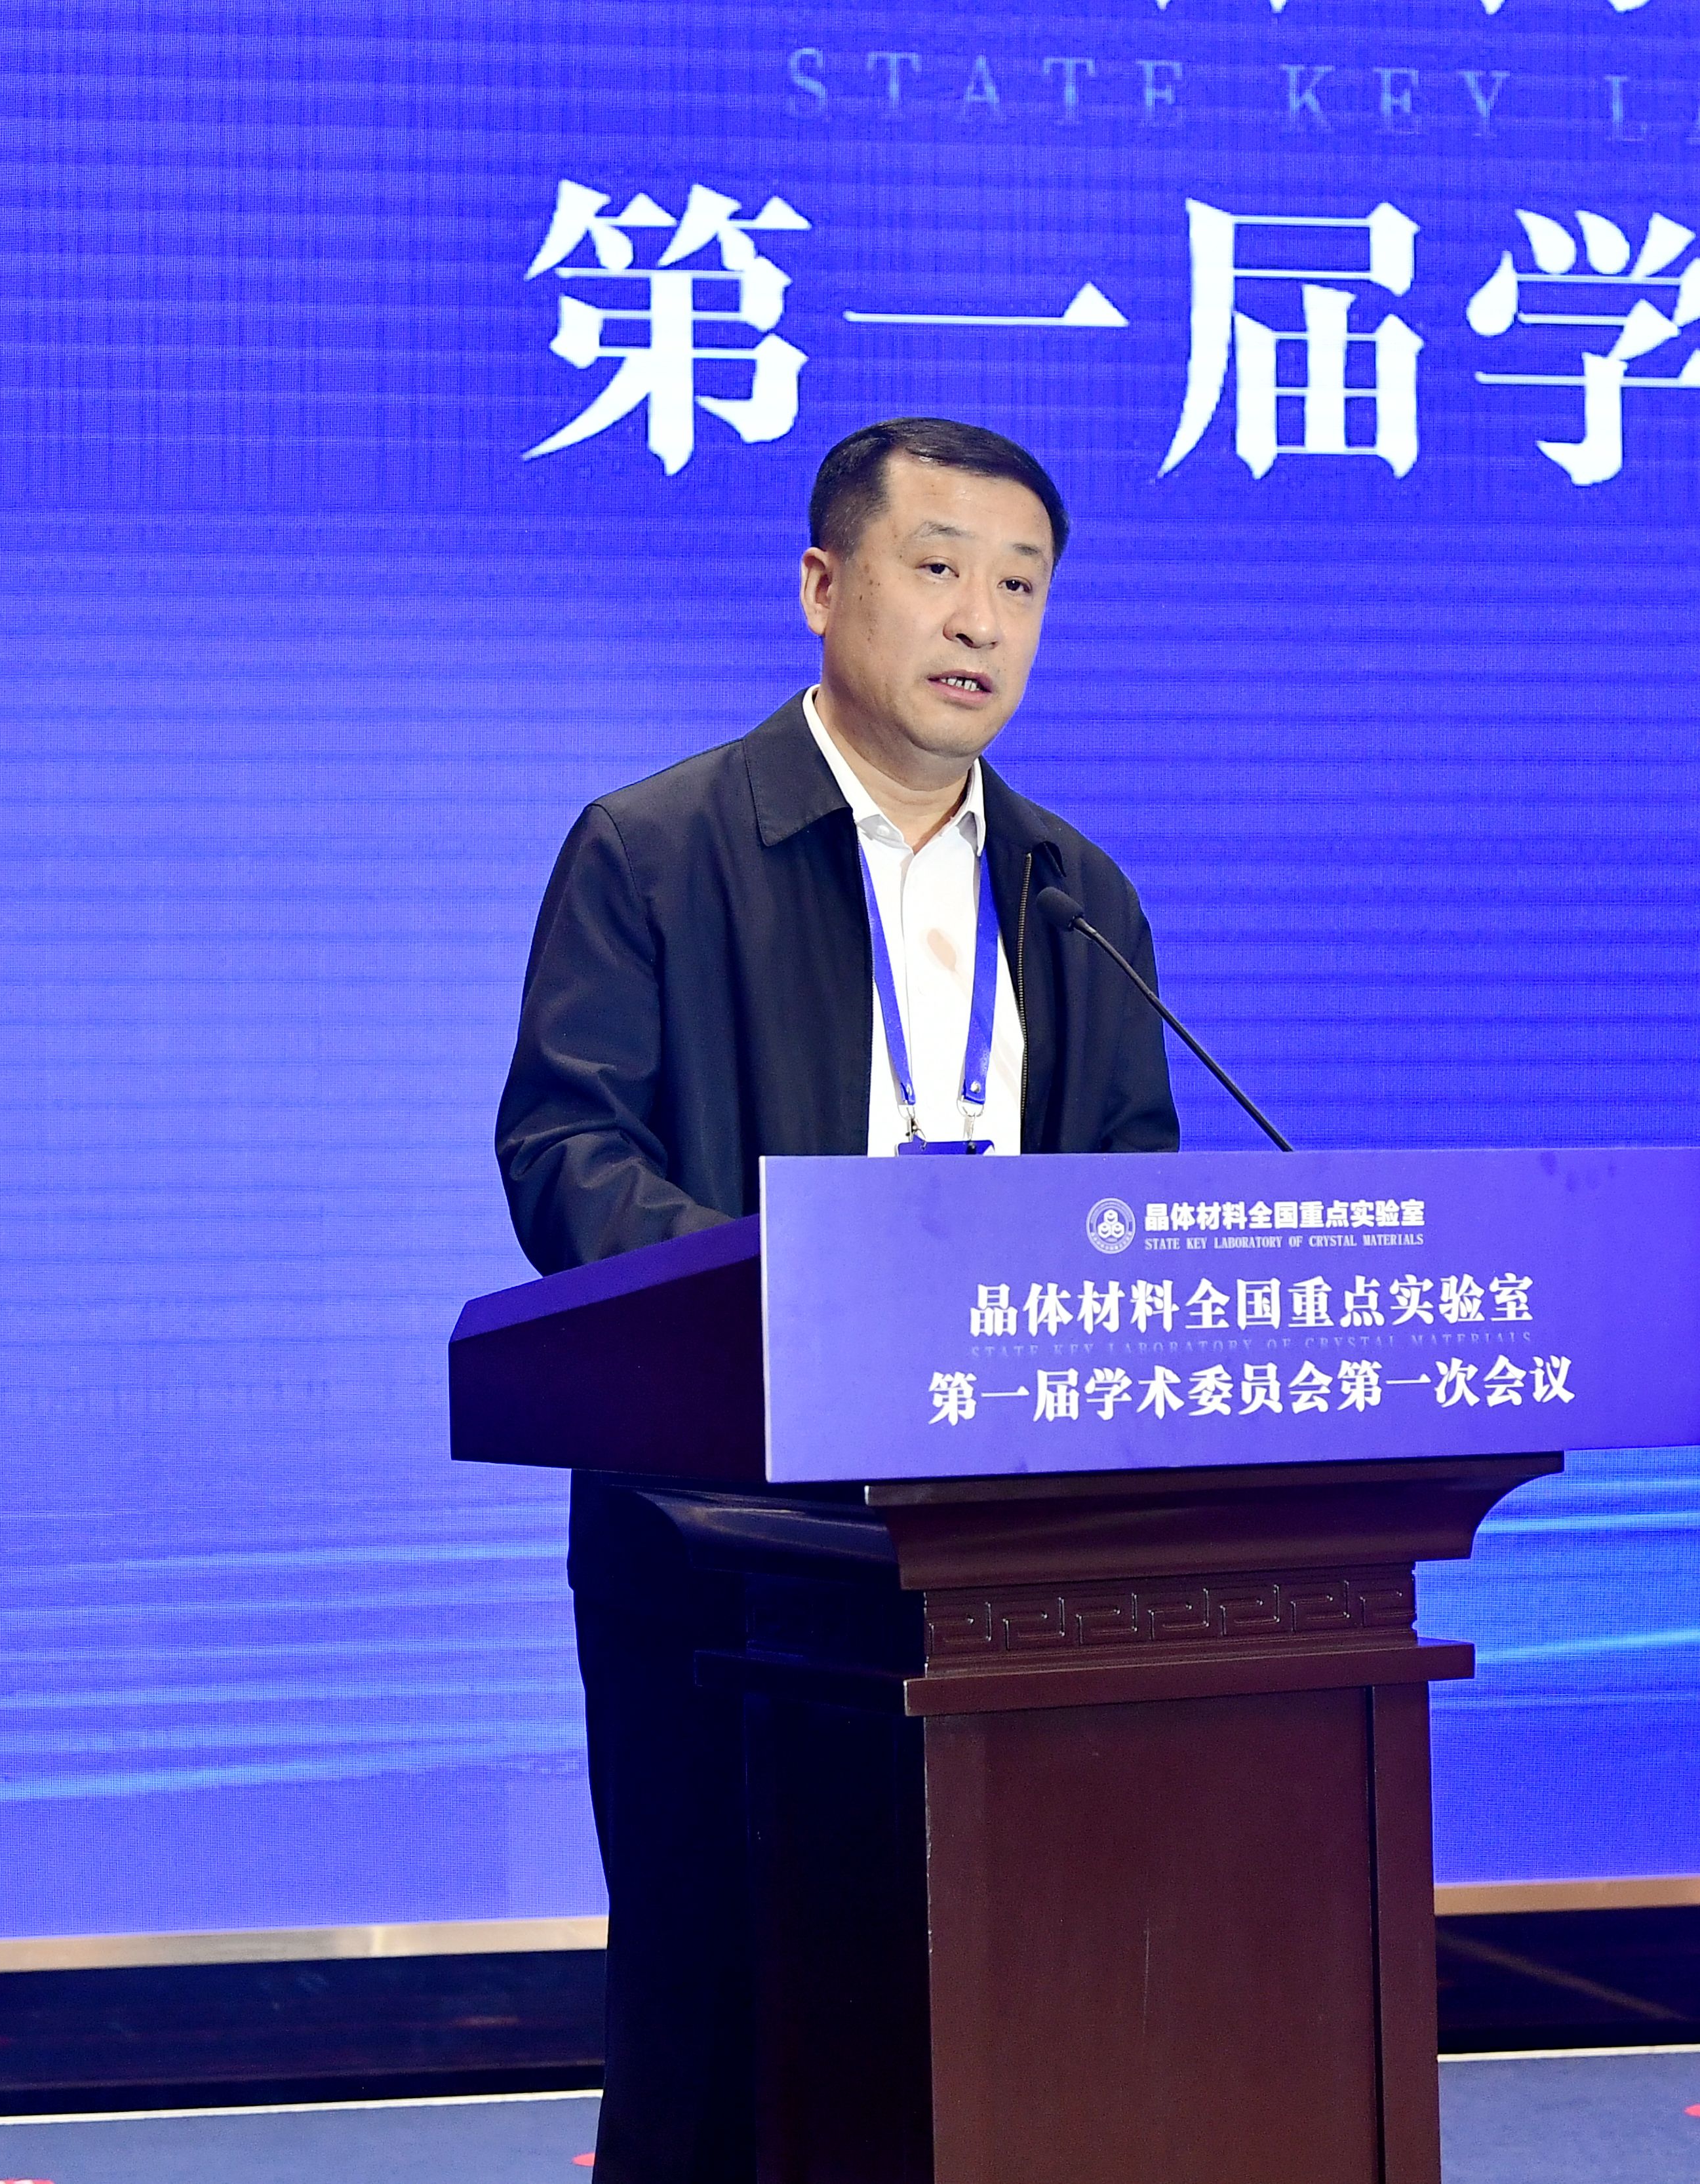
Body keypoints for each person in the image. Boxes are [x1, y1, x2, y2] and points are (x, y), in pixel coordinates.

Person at [495, 416, 1177, 2182]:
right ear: (822, 585)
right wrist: (805, 1304)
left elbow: (1130, 1193)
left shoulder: (1073, 894)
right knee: (724, 2025)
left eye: (1020, 586)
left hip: (1009, 1553)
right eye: (937, 567)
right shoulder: (655, 849)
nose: (980, 620)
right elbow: (568, 1151)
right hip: (728, 1539)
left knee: (992, 2019)